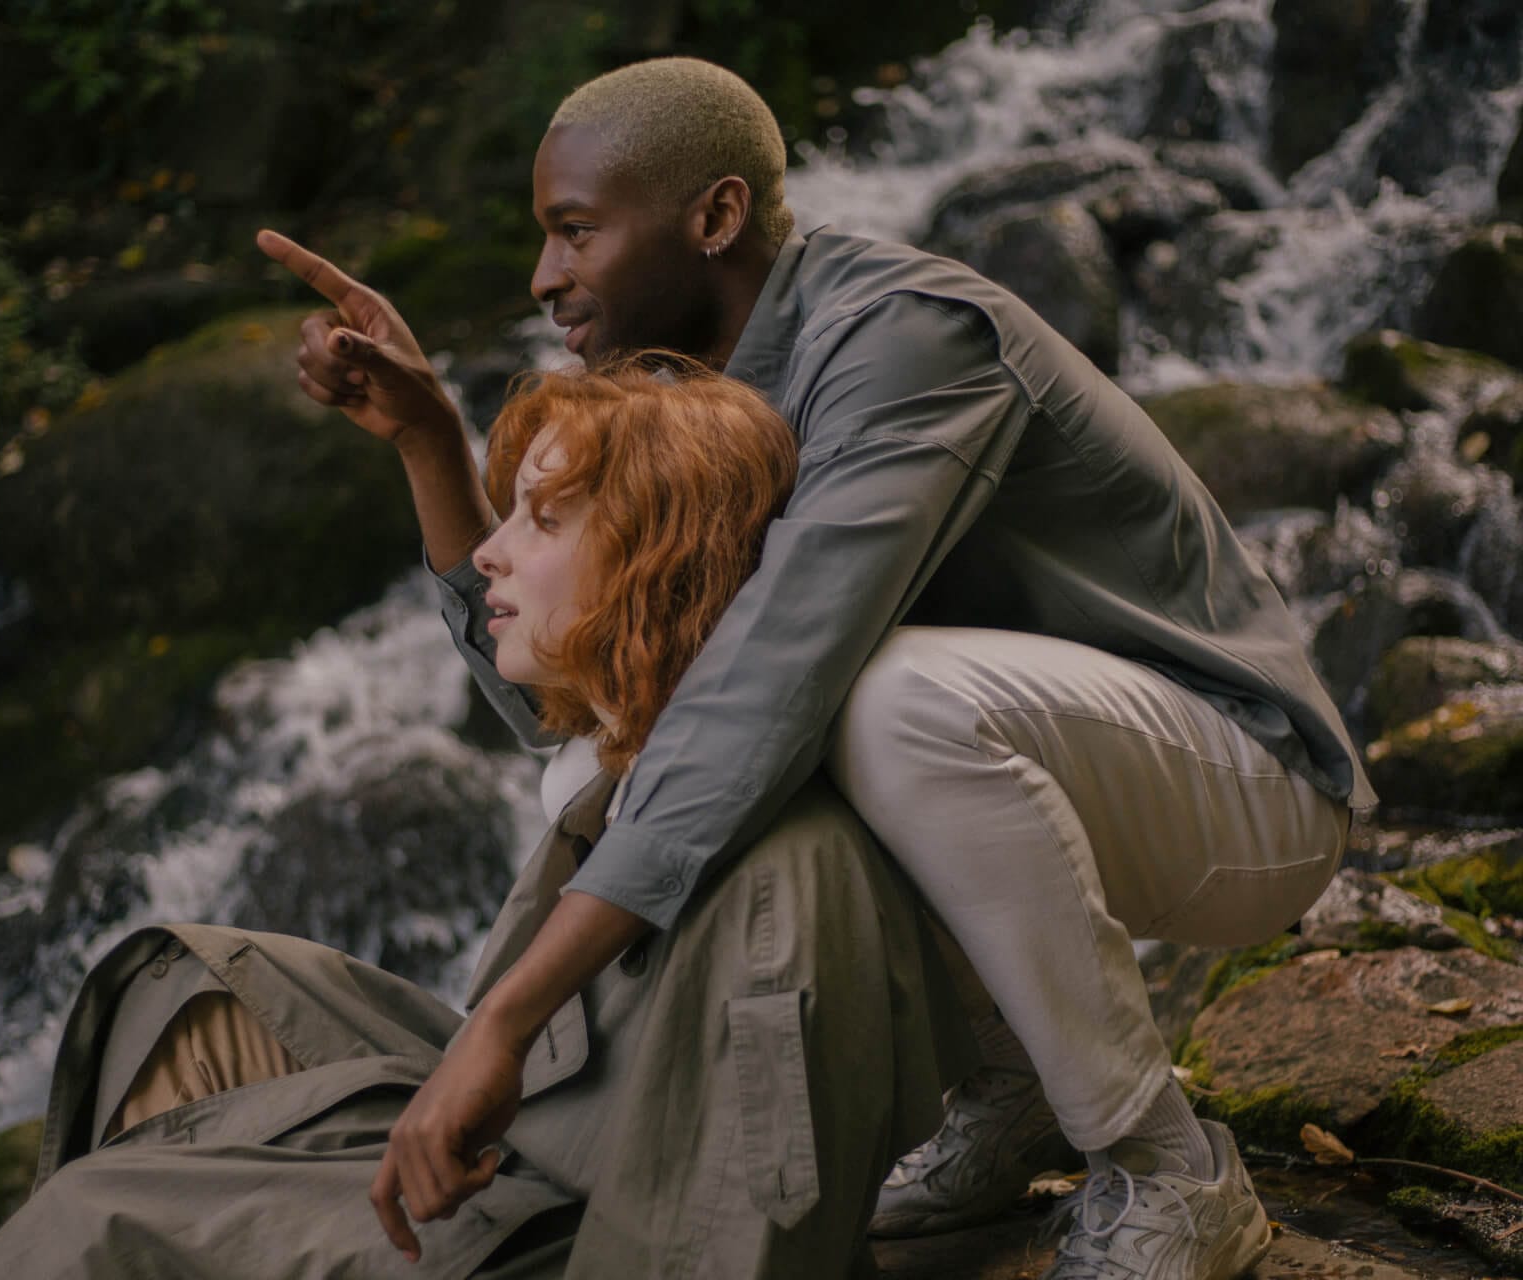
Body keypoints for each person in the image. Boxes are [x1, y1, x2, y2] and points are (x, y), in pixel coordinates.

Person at [256, 56, 1373, 1280]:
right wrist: (429, 440)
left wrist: (511, 1017)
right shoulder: (692, 398)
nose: (543, 276)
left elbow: (771, 683)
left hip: (1240, 777)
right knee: (614, 767)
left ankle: (1169, 1165)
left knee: (881, 705)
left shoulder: (904, 337)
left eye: (575, 231)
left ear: (716, 216)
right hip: (1048, 780)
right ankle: (1015, 1091)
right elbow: (581, 702)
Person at [0, 361, 966, 1279]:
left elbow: (732, 1237)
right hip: (536, 1149)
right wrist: (425, 436)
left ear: (662, 564)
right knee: (186, 987)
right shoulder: (631, 767)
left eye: (544, 521)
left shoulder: (777, 888)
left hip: (567, 1237)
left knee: (106, 1211)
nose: (490, 552)